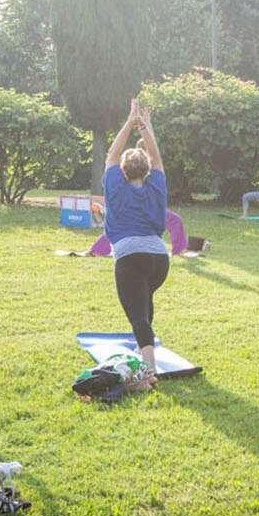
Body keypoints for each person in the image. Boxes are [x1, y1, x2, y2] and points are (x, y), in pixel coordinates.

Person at [103, 99, 168, 381]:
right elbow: (156, 156)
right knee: (144, 302)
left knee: (138, 317)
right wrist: (145, 126)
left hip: (131, 258)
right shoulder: (156, 184)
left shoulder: (116, 186)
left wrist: (130, 122)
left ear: (124, 172)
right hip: (159, 261)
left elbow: (111, 156)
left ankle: (150, 370)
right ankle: (147, 350)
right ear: (147, 170)